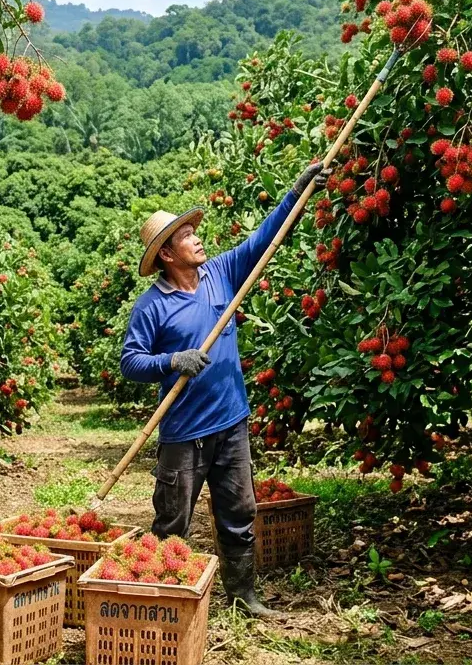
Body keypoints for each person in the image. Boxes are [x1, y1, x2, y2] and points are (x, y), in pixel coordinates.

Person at [119, 161, 325, 619]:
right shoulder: (151, 306)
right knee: (172, 522)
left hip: (232, 423)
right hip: (184, 434)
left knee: (239, 513)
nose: (197, 238)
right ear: (166, 254)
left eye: (194, 231)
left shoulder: (221, 273)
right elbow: (130, 362)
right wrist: (171, 361)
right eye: (186, 236)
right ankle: (163, 605)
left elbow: (264, 239)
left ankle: (243, 594)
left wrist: (296, 194)